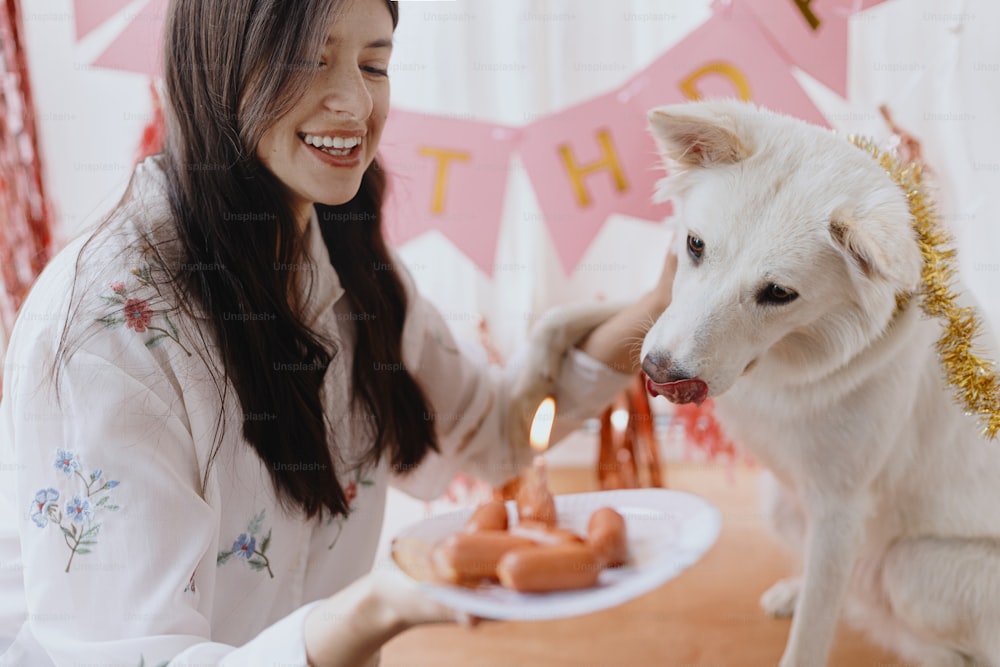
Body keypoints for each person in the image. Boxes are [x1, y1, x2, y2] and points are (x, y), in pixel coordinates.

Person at [0, 0, 675, 665]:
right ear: (217, 64)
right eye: (309, 60)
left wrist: (668, 307)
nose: (355, 103)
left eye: (374, 64)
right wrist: (377, 607)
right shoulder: (104, 332)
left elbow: (495, 429)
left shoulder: (344, 249)